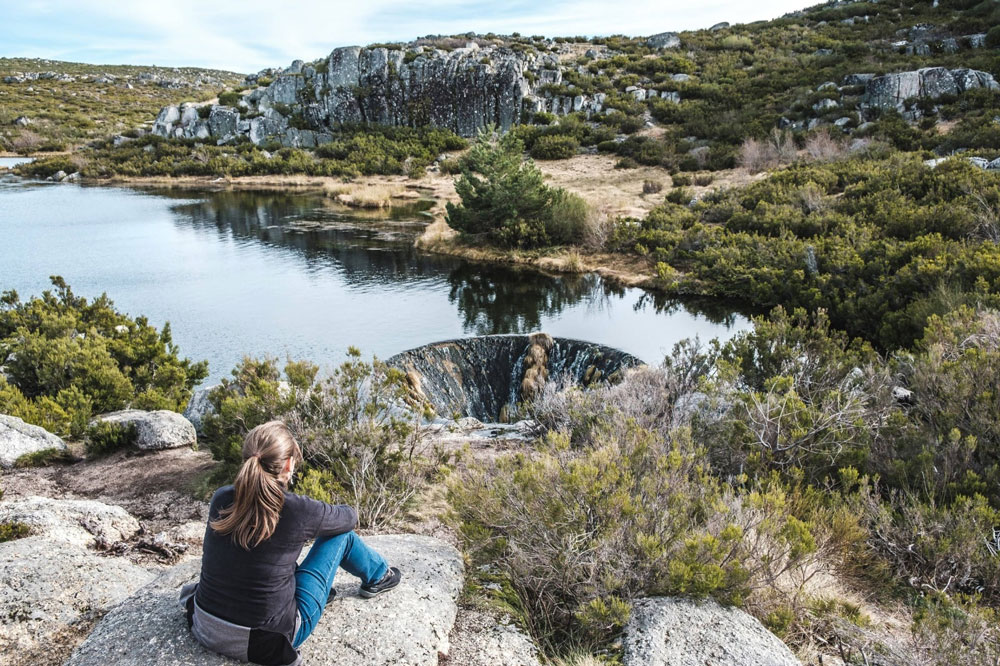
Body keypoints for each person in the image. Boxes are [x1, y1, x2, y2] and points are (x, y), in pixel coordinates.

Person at [179, 420, 401, 666]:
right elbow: (349, 518)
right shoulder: (297, 509)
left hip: (205, 625)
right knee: (341, 536)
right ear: (287, 465)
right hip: (264, 643)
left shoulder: (221, 497)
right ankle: (379, 575)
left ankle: (349, 582)